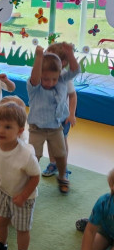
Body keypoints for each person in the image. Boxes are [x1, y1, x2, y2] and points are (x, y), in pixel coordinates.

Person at [0, 102, 40, 250]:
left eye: (8, 127)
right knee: (1, 221)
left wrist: (23, 196)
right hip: (4, 191)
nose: (0, 130)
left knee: (22, 228)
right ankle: (1, 245)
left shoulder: (25, 154)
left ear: (20, 131)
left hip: (25, 197)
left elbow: (35, 176)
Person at [27, 44, 80, 194]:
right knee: (34, 155)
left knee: (61, 154)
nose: (50, 83)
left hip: (56, 127)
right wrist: (39, 57)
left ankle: (62, 176)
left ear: (59, 75)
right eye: (46, 79)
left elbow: (75, 70)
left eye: (54, 79)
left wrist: (70, 54)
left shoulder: (62, 80)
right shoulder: (35, 86)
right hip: (37, 129)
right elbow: (35, 77)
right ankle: (29, 179)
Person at [0, 95, 27, 234]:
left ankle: (8, 213)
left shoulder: (22, 136)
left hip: (13, 174)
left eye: (9, 126)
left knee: (12, 195)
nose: (2, 130)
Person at [42, 42, 77, 180]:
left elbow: (73, 96)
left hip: (62, 117)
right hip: (48, 117)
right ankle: (53, 163)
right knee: (50, 141)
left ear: (62, 63)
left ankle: (63, 166)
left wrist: (72, 114)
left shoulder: (64, 77)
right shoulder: (43, 73)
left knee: (62, 142)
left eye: (50, 57)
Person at [73, 168, 114, 250]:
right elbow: (90, 231)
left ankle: (95, 220)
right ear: (112, 186)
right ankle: (94, 221)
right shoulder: (103, 202)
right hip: (106, 230)